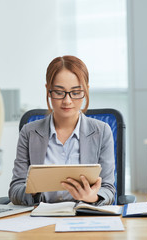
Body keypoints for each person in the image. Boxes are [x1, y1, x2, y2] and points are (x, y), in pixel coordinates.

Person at [9, 55, 116, 206]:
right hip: (39, 219)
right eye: (59, 92)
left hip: (83, 218)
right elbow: (15, 191)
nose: (67, 101)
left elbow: (108, 189)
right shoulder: (29, 132)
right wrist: (33, 188)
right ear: (48, 90)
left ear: (86, 90)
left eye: (76, 92)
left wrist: (93, 197)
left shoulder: (102, 131)